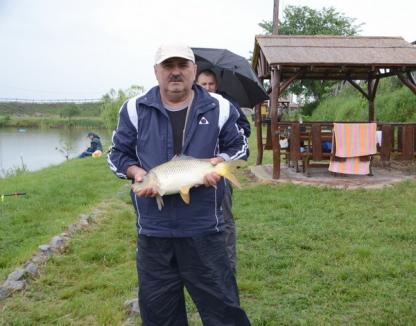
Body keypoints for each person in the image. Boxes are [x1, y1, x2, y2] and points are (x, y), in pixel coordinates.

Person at [108, 43, 250, 325]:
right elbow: (116, 155)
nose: (175, 73)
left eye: (182, 66)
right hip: (153, 231)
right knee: (160, 315)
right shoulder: (135, 109)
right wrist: (136, 172)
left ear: (193, 71)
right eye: (168, 67)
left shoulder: (219, 106)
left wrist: (217, 163)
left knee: (224, 311)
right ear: (156, 72)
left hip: (204, 228)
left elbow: (240, 147)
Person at [196, 69, 251, 274]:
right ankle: (202, 268)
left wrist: (231, 134)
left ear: (216, 85)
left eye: (211, 84)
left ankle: (228, 267)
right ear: (197, 84)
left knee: (225, 219)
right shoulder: (192, 105)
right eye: (203, 84)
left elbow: (245, 130)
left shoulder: (228, 104)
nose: (208, 88)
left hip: (221, 169)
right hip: (196, 172)